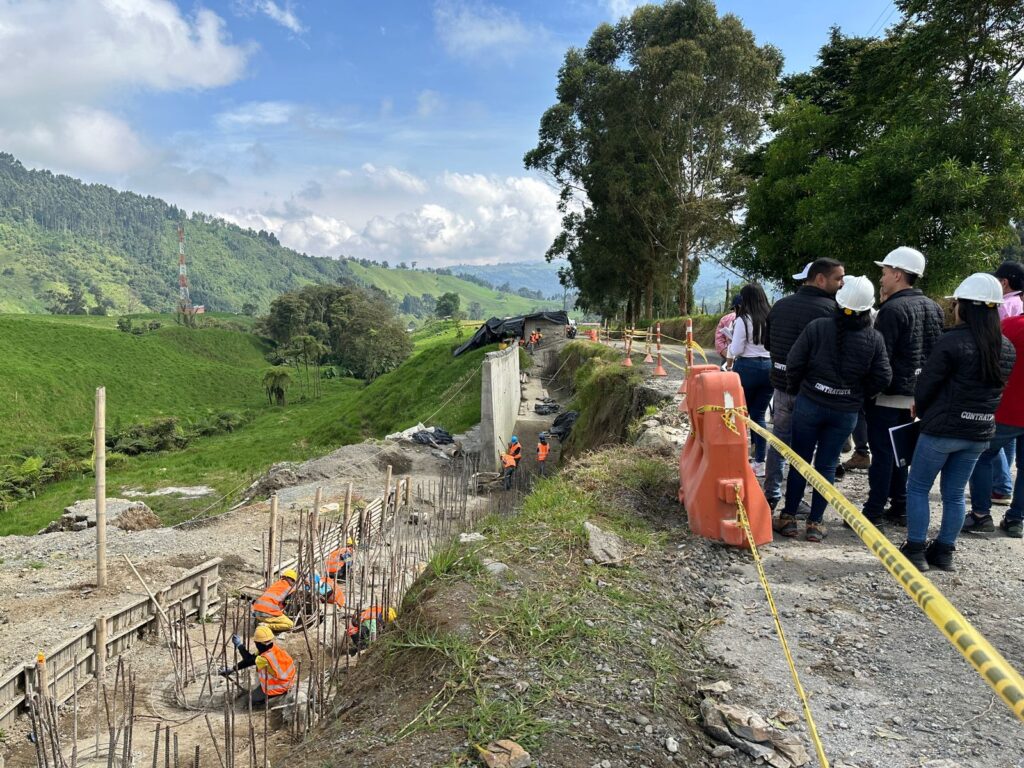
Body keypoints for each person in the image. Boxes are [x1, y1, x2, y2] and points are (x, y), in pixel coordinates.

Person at [900, 274, 1015, 572]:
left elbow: (926, 384)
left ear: (966, 307)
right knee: (953, 493)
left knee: (918, 488)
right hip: (978, 432)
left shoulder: (951, 341)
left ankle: (914, 549)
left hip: (942, 430)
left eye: (957, 303)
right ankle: (945, 551)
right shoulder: (1006, 347)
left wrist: (921, 410)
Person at [774, 277, 891, 541]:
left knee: (799, 461)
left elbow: (794, 362)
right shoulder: (874, 339)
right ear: (867, 308)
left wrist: (799, 389)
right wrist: (858, 396)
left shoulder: (817, 328)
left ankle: (789, 518)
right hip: (845, 412)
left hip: (809, 405)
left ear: (838, 301)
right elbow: (883, 376)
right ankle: (816, 523)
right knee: (827, 465)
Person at [862, 247, 945, 526]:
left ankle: (873, 511)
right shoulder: (933, 307)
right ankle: (901, 506)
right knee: (902, 455)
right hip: (916, 397)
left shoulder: (892, 310)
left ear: (898, 274)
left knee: (883, 455)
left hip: (887, 396)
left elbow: (879, 358)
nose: (882, 278)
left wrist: (868, 391)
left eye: (884, 272)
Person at [763, 258, 846, 512]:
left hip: (781, 387)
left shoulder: (780, 305)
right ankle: (795, 501)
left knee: (778, 442)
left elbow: (768, 344)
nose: (842, 284)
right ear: (820, 279)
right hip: (812, 392)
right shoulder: (831, 312)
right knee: (805, 449)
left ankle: (771, 495)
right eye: (838, 279)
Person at [963, 309, 1024, 538]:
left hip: (1005, 410)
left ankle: (980, 515)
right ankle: (1016, 519)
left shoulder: (1009, 325)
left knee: (981, 457)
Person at [725, 284, 773, 477]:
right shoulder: (771, 316)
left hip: (747, 368)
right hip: (769, 368)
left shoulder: (743, 320)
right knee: (759, 416)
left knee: (740, 415)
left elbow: (735, 350)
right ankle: (760, 462)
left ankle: (739, 458)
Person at [988, 261, 1024, 502]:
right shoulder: (1016, 308)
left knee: (985, 451)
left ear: (1004, 282)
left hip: (1007, 400)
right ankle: (1015, 513)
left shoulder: (1004, 314)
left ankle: (999, 487)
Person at [220, 624, 296, 707]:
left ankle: (270, 699)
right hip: (286, 681)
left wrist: (239, 645)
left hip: (279, 686)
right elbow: (250, 659)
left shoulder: (264, 658)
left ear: (259, 643)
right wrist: (233, 669)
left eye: (256, 642)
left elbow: (248, 660)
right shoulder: (272, 648)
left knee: (249, 700)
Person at [252, 568, 297, 633]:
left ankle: (261, 622)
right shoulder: (290, 589)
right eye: (293, 581)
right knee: (290, 624)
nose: (293, 583)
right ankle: (266, 625)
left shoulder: (275, 584)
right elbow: (287, 604)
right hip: (267, 614)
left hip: (256, 612)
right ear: (289, 579)